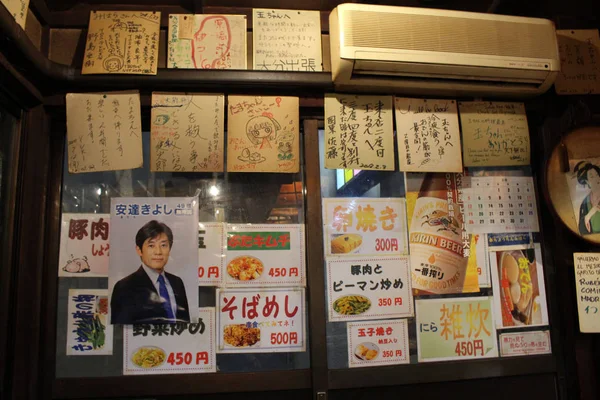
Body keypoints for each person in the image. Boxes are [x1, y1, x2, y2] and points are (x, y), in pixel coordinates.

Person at [111, 220, 190, 324]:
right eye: (151, 246)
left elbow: (185, 325)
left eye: (163, 245)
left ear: (170, 249)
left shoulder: (177, 282)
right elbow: (120, 332)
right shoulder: (124, 287)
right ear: (139, 250)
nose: (158, 252)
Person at [574, 161, 600, 234]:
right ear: (587, 182)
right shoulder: (585, 202)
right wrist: (588, 215)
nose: (597, 179)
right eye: (592, 177)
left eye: (597, 175)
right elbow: (581, 229)